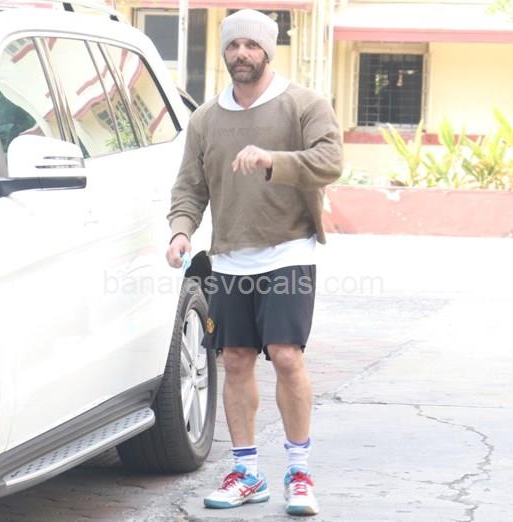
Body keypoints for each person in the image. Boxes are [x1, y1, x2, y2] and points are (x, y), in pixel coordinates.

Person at [165, 8, 342, 517]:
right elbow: (190, 186)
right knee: (237, 360)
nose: (241, 53)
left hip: (289, 250)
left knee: (285, 356)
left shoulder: (303, 104)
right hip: (229, 259)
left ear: (268, 50)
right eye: (233, 45)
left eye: (251, 45)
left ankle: (299, 472)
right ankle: (246, 472)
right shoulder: (205, 118)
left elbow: (331, 161)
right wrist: (181, 230)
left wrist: (272, 160)